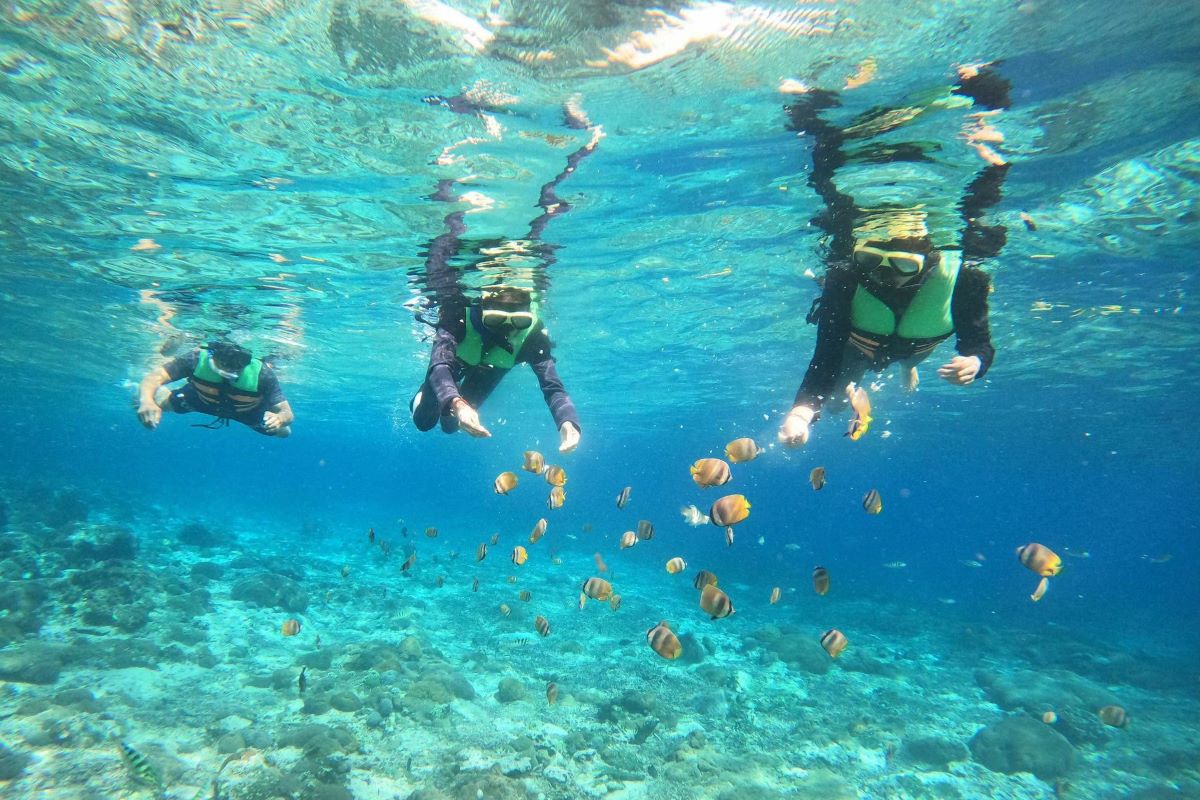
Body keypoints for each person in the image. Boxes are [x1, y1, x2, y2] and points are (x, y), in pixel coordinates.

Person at [778, 63, 1012, 447]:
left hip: (918, 345)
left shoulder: (964, 277)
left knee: (908, 356)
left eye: (903, 264)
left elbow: (978, 343)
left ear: (928, 260)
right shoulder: (847, 277)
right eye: (873, 261)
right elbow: (825, 357)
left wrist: (974, 363)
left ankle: (815, 115)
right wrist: (800, 415)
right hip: (863, 345)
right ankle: (812, 109)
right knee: (835, 406)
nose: (885, 274)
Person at [409, 105, 600, 453]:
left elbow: (552, 386)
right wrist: (455, 401)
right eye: (499, 314)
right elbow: (440, 364)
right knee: (426, 421)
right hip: (455, 364)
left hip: (490, 369)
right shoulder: (458, 313)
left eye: (517, 315)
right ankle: (452, 161)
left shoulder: (530, 334)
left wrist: (568, 424)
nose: (509, 324)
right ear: (482, 303)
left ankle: (575, 149)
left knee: (453, 428)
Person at [136, 341, 294, 437]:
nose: (232, 369)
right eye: (225, 362)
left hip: (248, 411)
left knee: (284, 433)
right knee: (150, 403)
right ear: (213, 353)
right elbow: (153, 378)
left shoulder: (263, 374)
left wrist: (279, 419)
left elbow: (287, 412)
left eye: (240, 364)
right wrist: (147, 401)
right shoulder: (196, 359)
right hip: (198, 399)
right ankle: (158, 396)